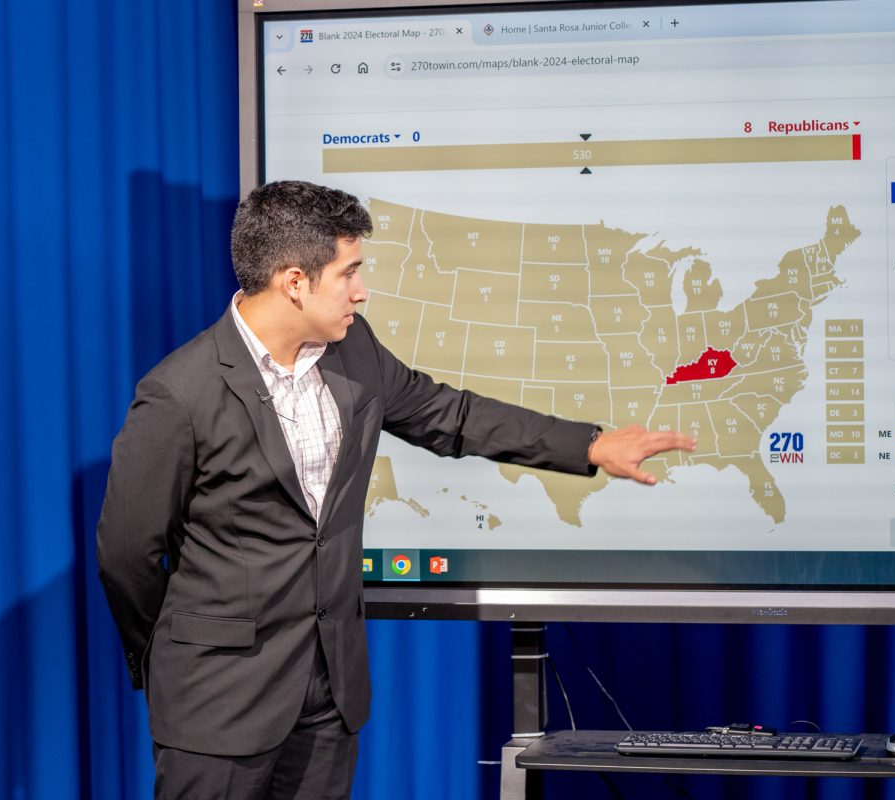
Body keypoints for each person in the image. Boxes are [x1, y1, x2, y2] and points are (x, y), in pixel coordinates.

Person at [96, 180, 695, 799]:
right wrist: (174, 657)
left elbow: (451, 415)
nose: (363, 290)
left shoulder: (352, 349)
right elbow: (126, 553)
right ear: (294, 281)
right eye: (349, 272)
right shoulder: (179, 392)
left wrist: (591, 446)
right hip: (216, 703)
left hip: (329, 699)